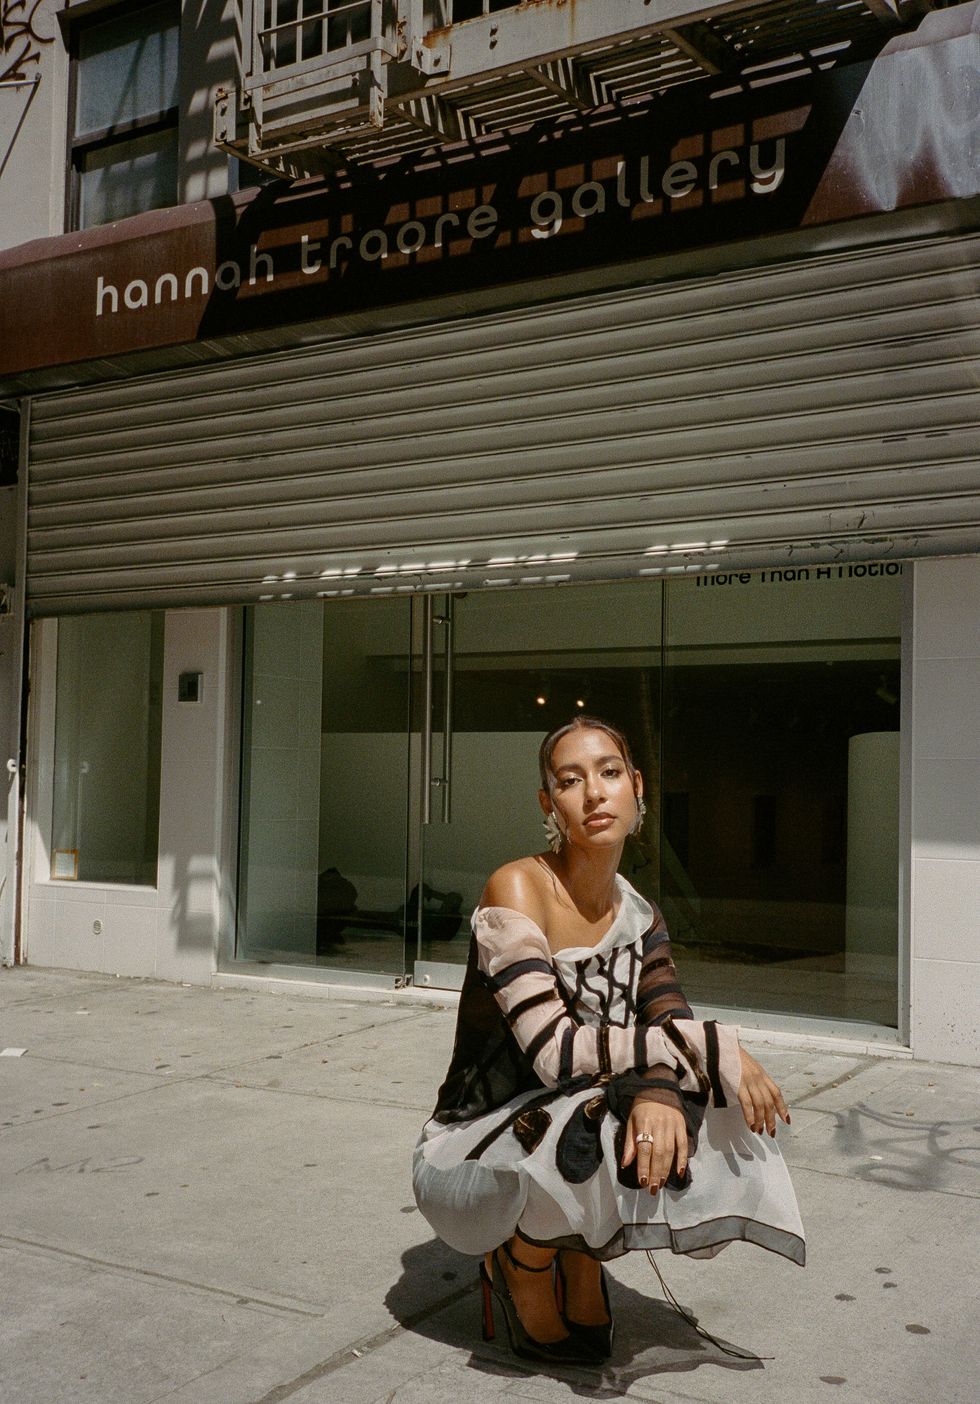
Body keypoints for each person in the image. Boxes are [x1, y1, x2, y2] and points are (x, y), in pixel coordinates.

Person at [413, 715, 804, 1366]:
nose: (594, 792)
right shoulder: (518, 888)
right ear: (549, 803)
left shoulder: (639, 915)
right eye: (570, 781)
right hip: (481, 1153)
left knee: (699, 1100)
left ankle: (580, 1250)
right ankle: (521, 1260)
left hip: (567, 1117)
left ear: (636, 786)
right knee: (604, 1108)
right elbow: (556, 1053)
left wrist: (666, 1084)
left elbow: (667, 1015)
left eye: (609, 772)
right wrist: (714, 1048)